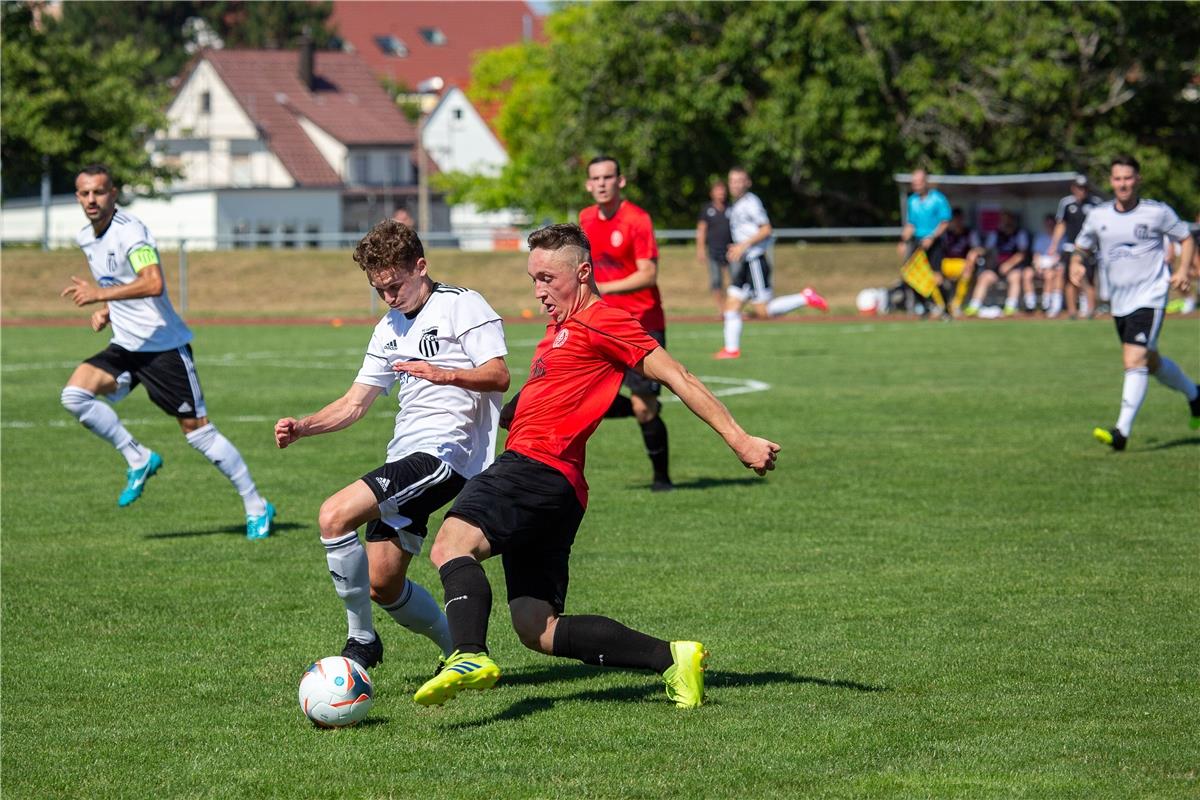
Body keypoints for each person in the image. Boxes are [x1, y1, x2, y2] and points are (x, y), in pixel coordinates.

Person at [410, 223, 780, 710]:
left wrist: (740, 439)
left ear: (582, 273)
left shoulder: (605, 319)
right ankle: (671, 658)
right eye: (533, 279)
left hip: (535, 468)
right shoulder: (557, 333)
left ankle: (469, 654)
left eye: (547, 278)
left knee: (451, 545)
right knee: (535, 626)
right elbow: (537, 400)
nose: (539, 291)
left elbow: (678, 375)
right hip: (556, 485)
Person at [274, 219, 510, 668]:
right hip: (405, 455)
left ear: (421, 267)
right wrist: (304, 426)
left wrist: (446, 373)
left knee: (333, 515)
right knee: (383, 583)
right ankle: (458, 653)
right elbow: (354, 403)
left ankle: (361, 641)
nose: (388, 297)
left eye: (395, 286)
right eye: (379, 289)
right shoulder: (389, 327)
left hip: (443, 456)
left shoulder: (462, 305)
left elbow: (498, 374)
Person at [60, 164, 275, 539]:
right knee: (75, 395)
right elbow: (122, 283)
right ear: (77, 196)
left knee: (198, 433)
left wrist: (99, 295)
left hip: (163, 348)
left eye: (99, 192)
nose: (91, 200)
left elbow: (153, 282)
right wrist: (107, 310)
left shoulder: (131, 232)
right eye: (84, 193)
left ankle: (256, 505)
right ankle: (138, 457)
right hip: (126, 345)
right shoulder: (86, 237)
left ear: (113, 193)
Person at [1070, 155, 1199, 450]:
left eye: (1128, 178)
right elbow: (1081, 248)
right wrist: (1076, 264)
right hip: (1119, 301)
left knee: (1133, 360)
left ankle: (1121, 432)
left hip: (1150, 297)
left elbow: (1186, 239)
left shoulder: (1157, 212)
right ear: (1111, 182)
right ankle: (1195, 394)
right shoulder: (1099, 215)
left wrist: (1181, 270)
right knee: (1149, 362)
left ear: (1138, 179)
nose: (1123, 184)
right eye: (1117, 179)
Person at [579, 156, 673, 491]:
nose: (602, 183)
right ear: (588, 184)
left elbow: (648, 274)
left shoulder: (637, 220)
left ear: (621, 182)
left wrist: (603, 289)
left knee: (645, 410)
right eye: (596, 178)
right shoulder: (585, 219)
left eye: (608, 177)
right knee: (581, 396)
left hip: (641, 324)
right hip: (599, 323)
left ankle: (662, 479)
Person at [716, 167, 827, 359]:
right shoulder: (737, 204)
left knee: (764, 311)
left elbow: (766, 229)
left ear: (748, 182)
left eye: (739, 180)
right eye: (732, 181)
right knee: (731, 305)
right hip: (745, 263)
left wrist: (743, 246)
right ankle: (731, 349)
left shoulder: (751, 202)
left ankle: (805, 297)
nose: (735, 185)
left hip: (755, 261)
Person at [897, 168, 953, 316]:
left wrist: (932, 237)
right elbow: (911, 224)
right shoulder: (912, 200)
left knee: (936, 277)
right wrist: (903, 241)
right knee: (909, 275)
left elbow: (944, 222)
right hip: (917, 241)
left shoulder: (938, 199)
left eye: (919, 182)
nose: (916, 185)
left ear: (926, 182)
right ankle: (925, 306)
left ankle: (946, 309)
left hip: (935, 242)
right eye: (913, 182)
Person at [1049, 175, 1106, 319]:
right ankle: (1072, 312)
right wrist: (1054, 244)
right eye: (1079, 188)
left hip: (1089, 249)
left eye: (1085, 188)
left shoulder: (1096, 204)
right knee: (1070, 280)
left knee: (1089, 280)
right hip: (1070, 247)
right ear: (1073, 188)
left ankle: (1090, 311)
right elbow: (1061, 224)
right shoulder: (1067, 203)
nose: (1082, 191)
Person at [963, 210, 1030, 317]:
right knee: (984, 277)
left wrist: (1009, 264)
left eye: (1008, 220)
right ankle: (974, 306)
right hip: (996, 267)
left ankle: (1010, 306)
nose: (1005, 223)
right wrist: (977, 252)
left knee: (1015, 277)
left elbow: (1022, 254)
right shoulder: (995, 234)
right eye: (1003, 220)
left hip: (1012, 267)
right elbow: (988, 250)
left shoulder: (1019, 233)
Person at [696, 179, 733, 315]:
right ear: (712, 193)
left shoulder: (731, 208)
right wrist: (700, 250)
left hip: (731, 251)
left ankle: (731, 308)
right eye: (718, 191)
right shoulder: (707, 210)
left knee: (735, 280)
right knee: (716, 281)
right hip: (713, 251)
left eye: (723, 191)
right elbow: (701, 230)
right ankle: (721, 310)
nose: (721, 194)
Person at [939, 208, 985, 315]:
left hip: (963, 263)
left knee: (967, 269)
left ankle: (956, 304)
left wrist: (973, 253)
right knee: (934, 274)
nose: (957, 222)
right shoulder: (946, 234)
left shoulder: (969, 233)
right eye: (954, 219)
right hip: (946, 263)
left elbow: (979, 249)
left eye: (959, 219)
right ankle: (941, 304)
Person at [1031, 214, 1061, 316]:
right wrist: (1037, 267)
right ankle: (1030, 305)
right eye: (1047, 224)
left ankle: (1048, 304)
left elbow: (1060, 257)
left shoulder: (1061, 238)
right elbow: (1036, 255)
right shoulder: (1040, 237)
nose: (1049, 226)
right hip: (1041, 267)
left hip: (1055, 267)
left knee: (1051, 275)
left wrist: (1050, 266)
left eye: (1052, 224)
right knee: (1027, 274)